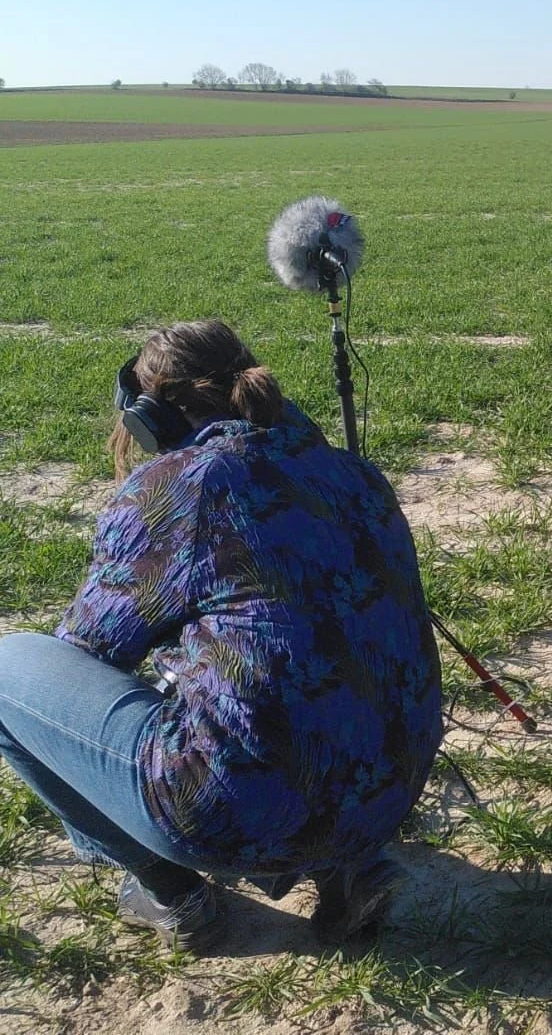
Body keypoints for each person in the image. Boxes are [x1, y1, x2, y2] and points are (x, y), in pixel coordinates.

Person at [0, 320, 442, 953]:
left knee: (10, 667)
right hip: (392, 789)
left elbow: (88, 651)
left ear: (151, 416)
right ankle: (349, 867)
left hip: (233, 814)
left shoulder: (187, 483)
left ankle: (170, 890)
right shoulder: (355, 473)